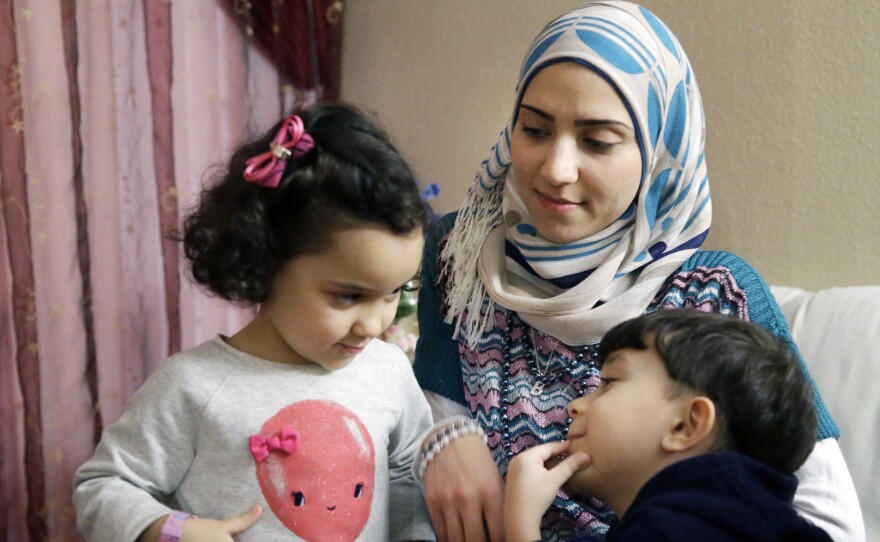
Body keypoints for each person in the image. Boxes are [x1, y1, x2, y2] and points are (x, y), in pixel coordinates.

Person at [411, 2, 863, 541]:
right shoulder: (460, 253)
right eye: (534, 129)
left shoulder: (719, 290)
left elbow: (831, 523)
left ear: (658, 152)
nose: (556, 169)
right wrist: (445, 437)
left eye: (598, 141)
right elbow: (424, 426)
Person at [74, 103, 436, 542]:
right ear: (266, 263)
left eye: (395, 291)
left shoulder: (388, 371)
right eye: (349, 296)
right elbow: (102, 487)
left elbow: (411, 478)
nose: (375, 324)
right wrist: (170, 530)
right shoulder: (193, 386)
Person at [504, 309, 833, 541]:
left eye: (610, 382)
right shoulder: (741, 517)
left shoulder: (678, 526)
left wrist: (520, 523)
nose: (576, 406)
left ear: (685, 427)